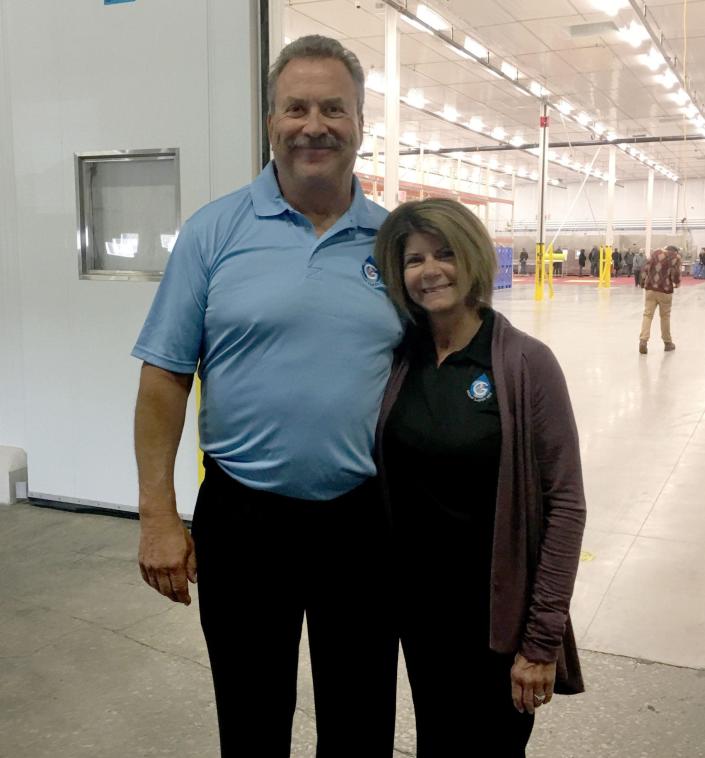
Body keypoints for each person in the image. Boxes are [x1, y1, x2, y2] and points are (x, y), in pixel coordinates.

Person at [132, 35, 403, 757]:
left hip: (366, 522)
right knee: (251, 721)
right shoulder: (213, 232)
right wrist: (158, 515)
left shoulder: (394, 242)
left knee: (361, 720)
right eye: (296, 108)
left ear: (360, 123)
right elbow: (164, 376)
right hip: (244, 518)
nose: (314, 124)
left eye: (333, 109)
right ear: (270, 122)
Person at [374, 199, 586, 757]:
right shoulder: (402, 359)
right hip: (420, 614)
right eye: (414, 259)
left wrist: (540, 641)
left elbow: (565, 504)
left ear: (472, 258)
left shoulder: (524, 363)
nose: (430, 270)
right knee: (437, 742)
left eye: (444, 253)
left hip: (496, 620)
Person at [639, 244, 681, 354]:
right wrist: (677, 283)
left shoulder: (654, 253)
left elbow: (645, 269)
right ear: (675, 251)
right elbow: (675, 274)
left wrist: (643, 283)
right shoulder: (675, 257)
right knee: (665, 317)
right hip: (665, 290)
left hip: (650, 289)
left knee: (647, 315)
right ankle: (667, 343)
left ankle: (643, 341)